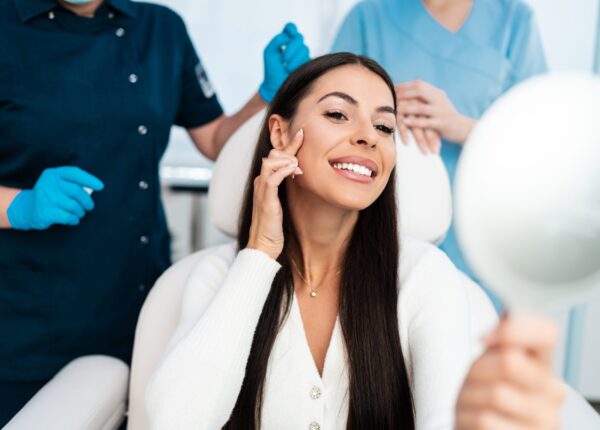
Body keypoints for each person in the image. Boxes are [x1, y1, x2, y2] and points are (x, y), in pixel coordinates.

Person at [145, 53, 565, 429]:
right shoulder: (218, 275)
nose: (368, 136)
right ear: (279, 132)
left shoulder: (423, 278)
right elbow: (175, 421)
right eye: (338, 115)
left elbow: (445, 419)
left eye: (384, 126)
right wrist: (258, 255)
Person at [0, 0, 310, 423]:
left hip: (138, 300)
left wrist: (269, 95)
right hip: (25, 322)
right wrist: (18, 205)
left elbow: (217, 139)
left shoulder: (160, 29)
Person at [331, 0, 548, 291]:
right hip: (379, 240)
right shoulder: (369, 16)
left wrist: (462, 127)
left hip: (481, 246)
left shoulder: (513, 21)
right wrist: (379, 108)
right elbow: (328, 114)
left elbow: (541, 147)